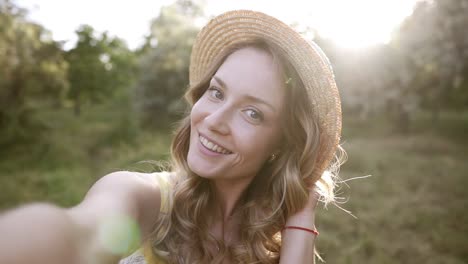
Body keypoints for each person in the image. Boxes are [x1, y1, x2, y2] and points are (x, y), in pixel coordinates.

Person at [0, 10, 344, 264]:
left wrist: (301, 213)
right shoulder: (142, 198)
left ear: (282, 143)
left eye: (252, 113)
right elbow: (75, 233)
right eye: (217, 93)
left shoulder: (271, 246)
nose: (214, 121)